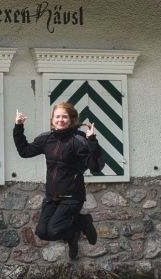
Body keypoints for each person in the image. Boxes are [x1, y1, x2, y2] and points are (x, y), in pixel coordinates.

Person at [13, 101, 104, 260]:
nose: (60, 120)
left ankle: (82, 221)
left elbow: (95, 166)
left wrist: (92, 141)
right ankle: (72, 235)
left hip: (72, 197)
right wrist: (18, 126)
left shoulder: (78, 140)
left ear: (71, 119)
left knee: (54, 230)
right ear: (52, 119)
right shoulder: (47, 138)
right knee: (42, 232)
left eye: (64, 117)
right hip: (52, 197)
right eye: (57, 117)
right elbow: (25, 151)